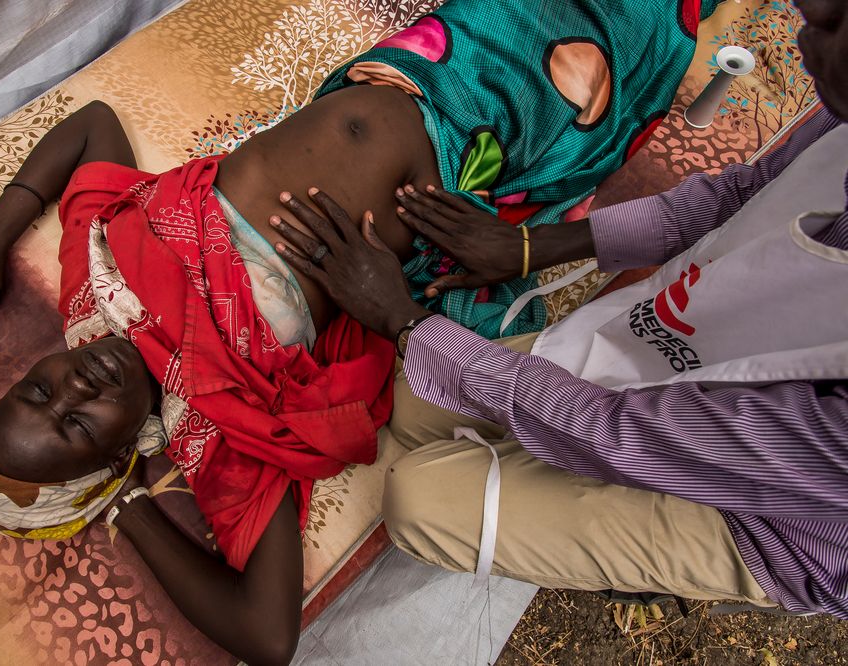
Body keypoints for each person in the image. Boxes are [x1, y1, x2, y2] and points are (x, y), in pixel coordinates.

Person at [0, 1, 720, 662]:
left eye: (37, 387)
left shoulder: (90, 288)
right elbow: (267, 637)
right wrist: (125, 506)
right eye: (75, 426)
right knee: (628, 33)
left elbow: (94, 126)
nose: (74, 386)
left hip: (422, 65)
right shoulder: (210, 436)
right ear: (111, 459)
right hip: (479, 150)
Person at [270, 0, 848, 620]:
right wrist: (525, 247)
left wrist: (407, 324)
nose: (809, 6)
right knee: (417, 403)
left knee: (421, 499)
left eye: (841, 16)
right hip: (689, 360)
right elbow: (736, 196)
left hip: (770, 519)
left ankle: (677, 572)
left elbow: (627, 434)